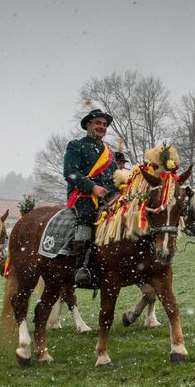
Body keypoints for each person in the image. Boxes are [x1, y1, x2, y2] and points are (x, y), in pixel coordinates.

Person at [64, 109, 118, 286]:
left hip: (107, 198)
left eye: (104, 124)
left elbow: (116, 177)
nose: (101, 127)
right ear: (88, 125)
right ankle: (81, 267)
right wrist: (92, 187)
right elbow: (70, 172)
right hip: (82, 195)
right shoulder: (76, 145)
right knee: (87, 215)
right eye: (98, 123)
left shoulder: (109, 153)